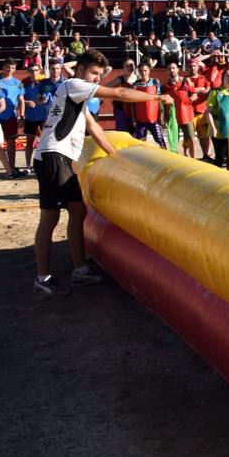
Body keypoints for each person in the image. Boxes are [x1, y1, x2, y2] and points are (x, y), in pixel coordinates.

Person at [31, 50, 171, 295]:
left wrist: (113, 154)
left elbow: (93, 126)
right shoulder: (75, 84)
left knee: (78, 210)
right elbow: (118, 92)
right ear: (82, 70)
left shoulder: (76, 92)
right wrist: (156, 98)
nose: (97, 78)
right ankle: (43, 277)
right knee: (50, 218)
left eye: (99, 74)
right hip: (53, 156)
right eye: (94, 73)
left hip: (59, 157)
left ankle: (79, 270)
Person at [0, 59, 26, 176]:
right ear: (3, 67)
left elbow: (21, 101)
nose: (10, 70)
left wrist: (21, 116)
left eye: (12, 67)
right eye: (8, 67)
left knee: (11, 142)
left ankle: (12, 167)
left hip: (11, 116)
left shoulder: (18, 83)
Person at [21, 69, 57, 168]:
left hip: (44, 117)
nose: (34, 73)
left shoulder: (45, 85)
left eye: (36, 71)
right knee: (29, 142)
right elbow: (19, 99)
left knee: (45, 141)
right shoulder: (25, 85)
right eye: (32, 71)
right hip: (31, 117)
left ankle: (44, 164)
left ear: (39, 72)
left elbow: (46, 100)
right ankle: (28, 165)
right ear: (29, 72)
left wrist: (39, 101)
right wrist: (26, 102)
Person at [130, 61, 167, 148]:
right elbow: (132, 104)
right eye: (141, 71)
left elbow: (159, 99)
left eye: (145, 70)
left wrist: (161, 115)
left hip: (153, 117)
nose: (143, 73)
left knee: (160, 140)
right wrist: (133, 118)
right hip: (141, 118)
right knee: (139, 142)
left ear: (149, 71)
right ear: (138, 71)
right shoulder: (135, 85)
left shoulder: (155, 82)